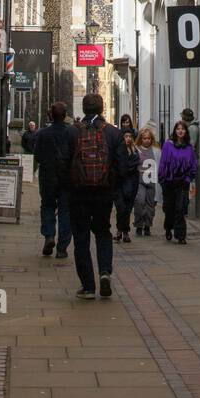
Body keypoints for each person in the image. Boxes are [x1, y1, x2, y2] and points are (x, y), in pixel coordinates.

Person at [67, 92, 128, 300]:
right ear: (102, 108)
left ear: (84, 109)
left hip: (78, 193)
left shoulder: (73, 132)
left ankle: (88, 286)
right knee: (103, 232)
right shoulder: (113, 133)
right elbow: (122, 166)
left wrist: (68, 188)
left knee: (81, 237)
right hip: (103, 193)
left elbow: (64, 164)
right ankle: (104, 272)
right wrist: (112, 189)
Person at [33, 102, 73, 260]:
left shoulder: (43, 133)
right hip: (66, 178)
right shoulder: (71, 133)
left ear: (51, 115)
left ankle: (49, 235)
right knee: (65, 211)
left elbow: (37, 155)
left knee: (48, 206)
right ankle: (62, 248)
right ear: (65, 115)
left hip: (48, 177)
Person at [158, 120, 198, 244]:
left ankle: (181, 235)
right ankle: (168, 228)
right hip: (169, 182)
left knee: (180, 208)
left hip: (182, 183)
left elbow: (193, 165)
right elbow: (163, 163)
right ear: (175, 131)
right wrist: (162, 179)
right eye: (178, 129)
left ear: (186, 131)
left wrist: (188, 178)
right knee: (169, 209)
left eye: (183, 129)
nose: (180, 131)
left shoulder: (189, 148)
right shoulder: (168, 145)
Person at [114, 130, 140, 242]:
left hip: (131, 183)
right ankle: (121, 230)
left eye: (130, 136)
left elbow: (133, 165)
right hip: (119, 183)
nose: (128, 138)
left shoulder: (135, 152)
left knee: (127, 209)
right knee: (121, 208)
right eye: (126, 136)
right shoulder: (118, 151)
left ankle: (123, 232)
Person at [133, 126, 160, 236]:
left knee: (150, 205)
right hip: (140, 181)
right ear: (141, 139)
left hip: (152, 182)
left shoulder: (156, 151)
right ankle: (139, 225)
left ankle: (148, 225)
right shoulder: (136, 150)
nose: (147, 140)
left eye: (149, 138)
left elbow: (160, 165)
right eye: (144, 138)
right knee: (139, 202)